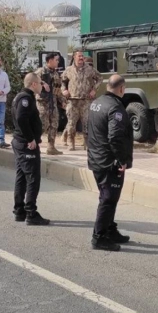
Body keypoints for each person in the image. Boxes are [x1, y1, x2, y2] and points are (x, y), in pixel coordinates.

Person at [86, 75, 134, 251]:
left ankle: (110, 230)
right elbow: (115, 137)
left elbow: (89, 130)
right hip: (109, 162)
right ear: (121, 89)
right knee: (108, 199)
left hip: (97, 158)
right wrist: (121, 160)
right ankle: (99, 237)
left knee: (109, 197)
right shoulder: (115, 108)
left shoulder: (96, 102)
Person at [12, 72, 50, 226]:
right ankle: (31, 213)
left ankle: (19, 210)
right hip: (26, 144)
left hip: (20, 142)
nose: (42, 86)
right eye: (40, 83)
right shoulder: (26, 98)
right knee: (33, 178)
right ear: (33, 84)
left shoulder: (22, 96)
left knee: (21, 177)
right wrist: (30, 139)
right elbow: (21, 118)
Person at [61, 50, 103, 151]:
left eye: (82, 56)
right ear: (74, 57)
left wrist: (94, 90)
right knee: (71, 124)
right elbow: (62, 82)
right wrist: (64, 90)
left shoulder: (89, 69)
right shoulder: (68, 70)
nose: (81, 58)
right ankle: (71, 143)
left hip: (86, 101)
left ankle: (87, 143)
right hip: (72, 101)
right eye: (79, 56)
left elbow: (100, 78)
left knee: (87, 124)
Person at [34, 53, 67, 155]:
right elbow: (31, 80)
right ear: (50, 60)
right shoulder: (40, 71)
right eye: (56, 60)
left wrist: (62, 101)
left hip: (53, 103)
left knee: (54, 124)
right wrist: (43, 83)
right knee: (42, 125)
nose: (58, 62)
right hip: (43, 104)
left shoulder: (56, 74)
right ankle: (34, 144)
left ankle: (51, 147)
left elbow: (58, 89)